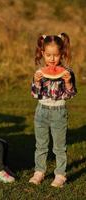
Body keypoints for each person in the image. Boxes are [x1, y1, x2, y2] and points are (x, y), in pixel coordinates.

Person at [29, 33, 77, 187]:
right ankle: (39, 171)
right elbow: (35, 94)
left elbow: (71, 95)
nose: (52, 59)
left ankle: (60, 175)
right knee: (41, 145)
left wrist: (68, 83)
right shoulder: (40, 73)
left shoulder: (67, 72)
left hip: (59, 112)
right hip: (41, 111)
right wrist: (36, 82)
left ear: (61, 54)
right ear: (43, 53)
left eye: (55, 55)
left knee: (59, 147)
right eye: (48, 55)